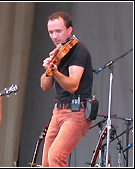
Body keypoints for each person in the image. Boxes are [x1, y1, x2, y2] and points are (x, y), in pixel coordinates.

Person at [40, 11, 93, 167]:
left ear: (70, 30)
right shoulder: (58, 53)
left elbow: (73, 85)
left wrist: (55, 71)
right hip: (57, 112)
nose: (54, 36)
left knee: (56, 156)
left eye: (58, 31)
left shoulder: (78, 51)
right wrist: (49, 69)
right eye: (51, 32)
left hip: (76, 112)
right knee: (46, 163)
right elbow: (44, 85)